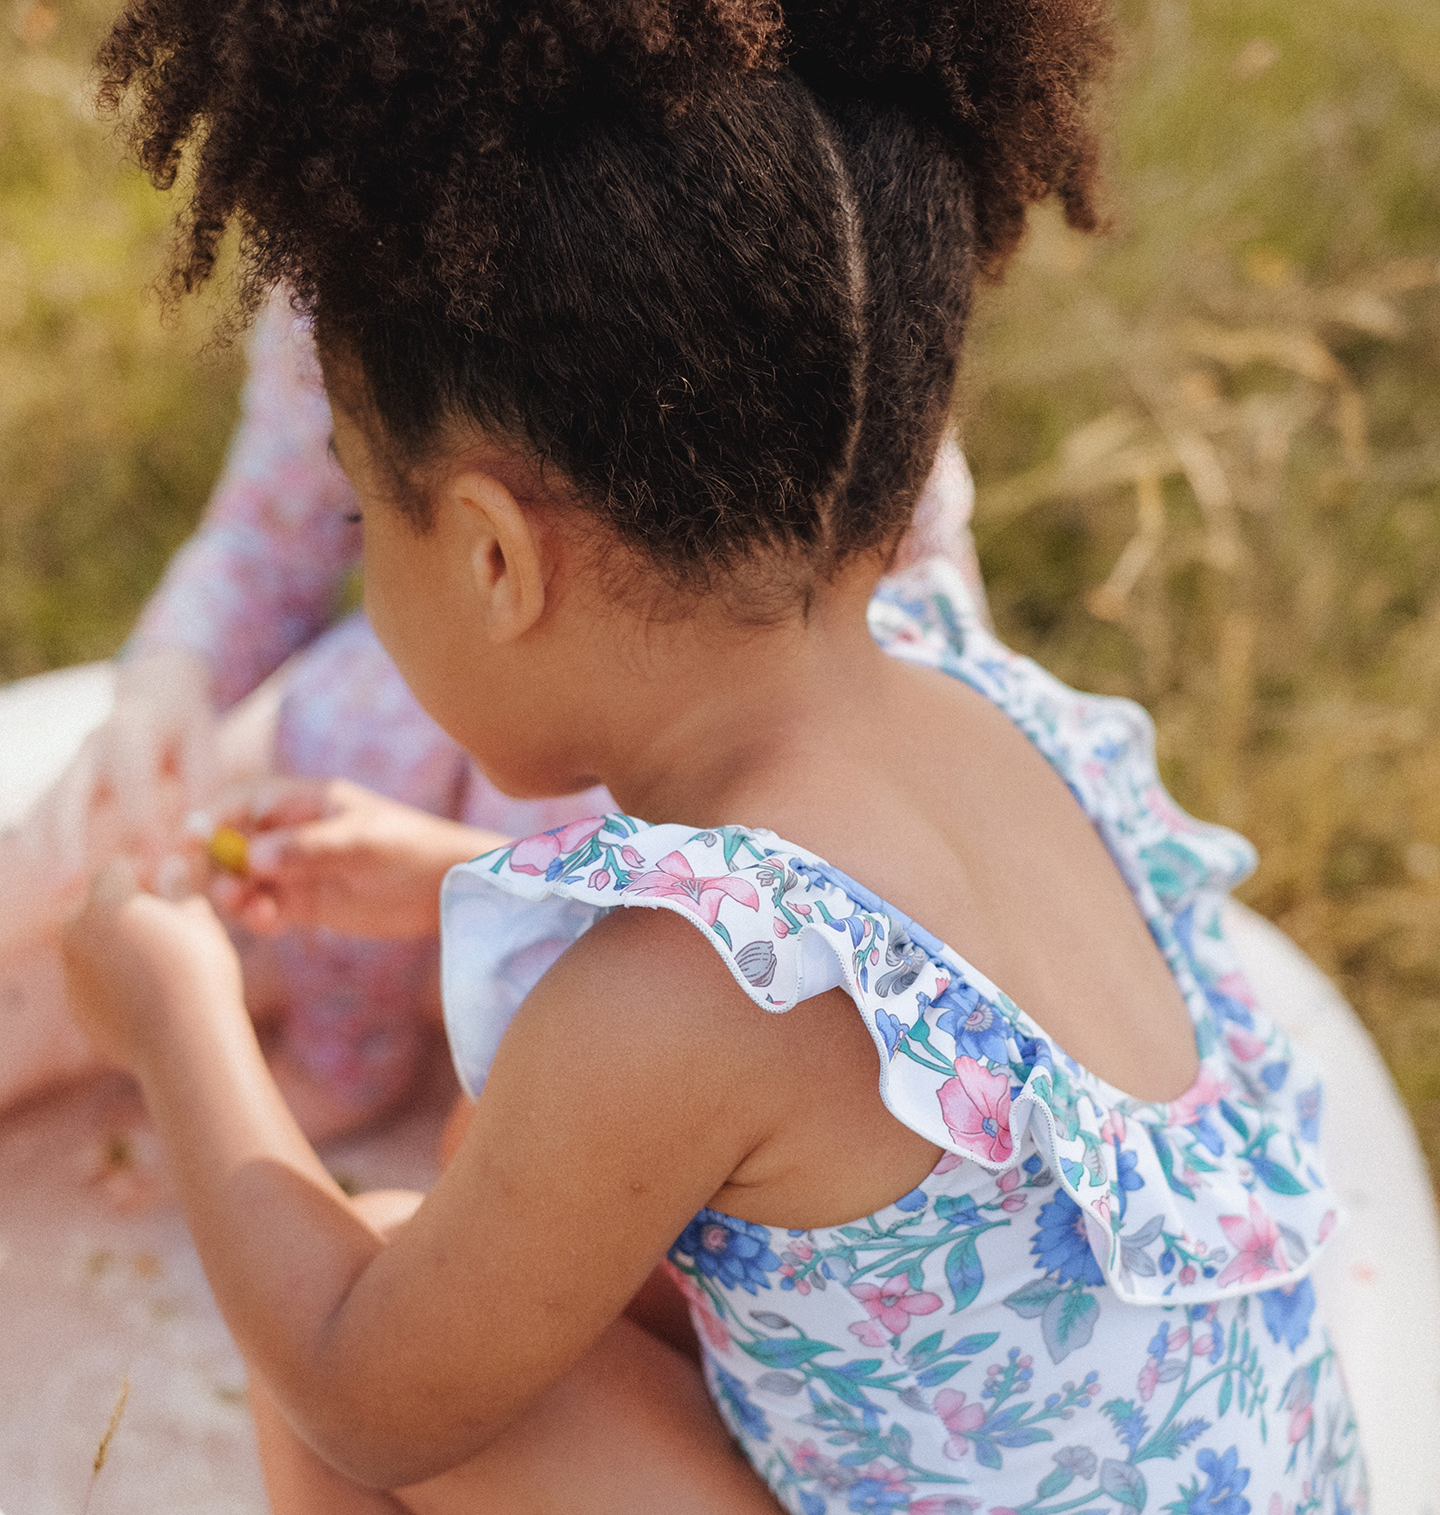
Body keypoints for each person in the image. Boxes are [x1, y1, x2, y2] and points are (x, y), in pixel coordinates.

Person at [63, 0, 1366, 1515]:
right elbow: (861, 1080)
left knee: (406, 1314)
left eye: (372, 511)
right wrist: (461, 881)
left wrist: (173, 1015)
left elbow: (368, 1392)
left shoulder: (673, 1001)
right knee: (548, 1279)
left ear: (488, 551)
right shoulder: (966, 700)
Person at [0, 289, 982, 1136]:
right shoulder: (341, 285)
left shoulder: (786, 287)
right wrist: (167, 680)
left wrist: (185, 1041)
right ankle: (353, 1042)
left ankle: (528, 1039)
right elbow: (271, 527)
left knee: (573, 1082)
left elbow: (921, 643)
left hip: (727, 783)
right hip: (529, 751)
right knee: (349, 718)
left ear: (489, 547)